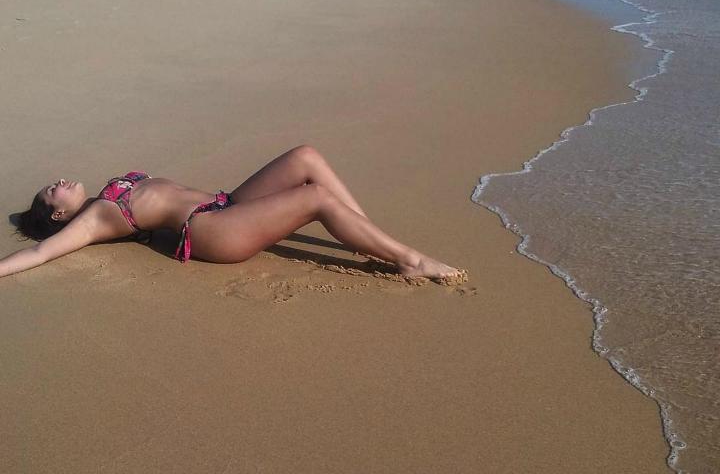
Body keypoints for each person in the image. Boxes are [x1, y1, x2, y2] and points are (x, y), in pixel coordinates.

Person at [1, 145, 466, 282]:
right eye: (51, 192)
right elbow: (40, 254)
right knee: (316, 197)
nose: (58, 182)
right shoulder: (92, 220)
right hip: (210, 232)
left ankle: (367, 235)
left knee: (305, 157)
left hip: (224, 205)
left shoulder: (107, 193)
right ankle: (410, 260)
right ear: (58, 216)